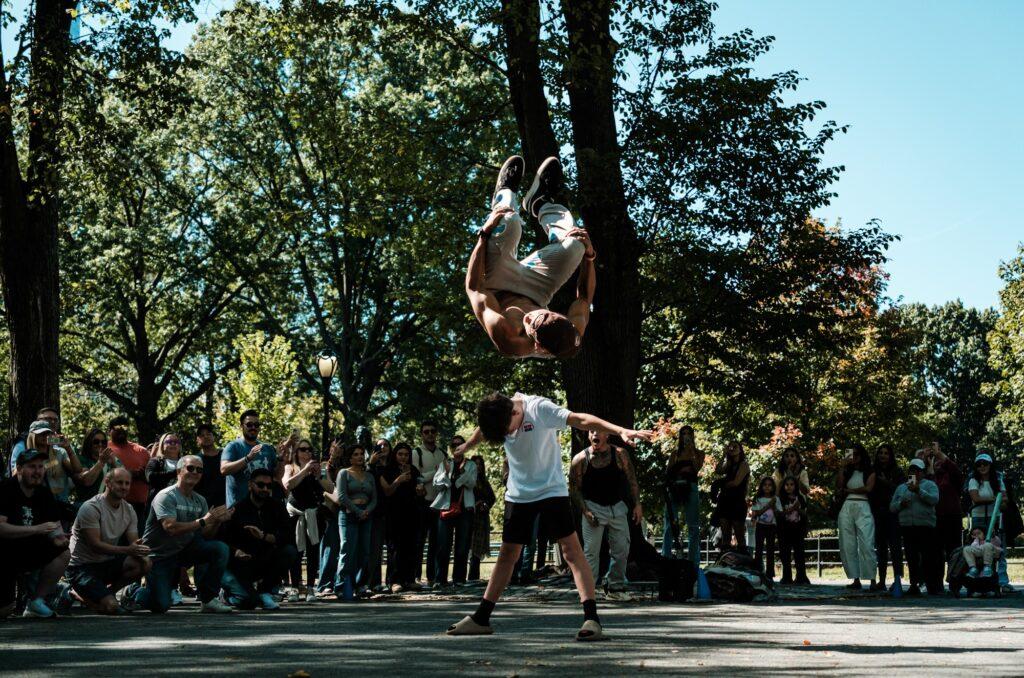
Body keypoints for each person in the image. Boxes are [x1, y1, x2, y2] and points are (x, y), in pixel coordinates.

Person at [445, 391, 653, 641]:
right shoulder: (499, 411)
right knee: (507, 555)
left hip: (550, 491)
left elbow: (581, 420)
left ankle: (592, 619)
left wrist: (620, 430)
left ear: (515, 411)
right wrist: (467, 445)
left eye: (508, 429)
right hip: (519, 494)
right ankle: (481, 619)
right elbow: (484, 427)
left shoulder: (540, 409)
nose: (508, 435)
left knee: (572, 552)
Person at [465, 156, 596, 360]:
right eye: (543, 314)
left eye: (531, 319)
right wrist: (589, 256)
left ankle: (504, 192)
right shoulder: (571, 332)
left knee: (508, 222)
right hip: (538, 290)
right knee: (576, 245)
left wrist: (483, 234)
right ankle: (540, 201)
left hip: (497, 284)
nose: (530, 314)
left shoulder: (509, 337)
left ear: (537, 344)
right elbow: (584, 298)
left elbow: (474, 288)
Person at [132, 455, 234, 613]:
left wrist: (218, 521)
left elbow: (206, 534)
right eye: (190, 468)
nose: (195, 472)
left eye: (199, 470)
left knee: (220, 549)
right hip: (160, 556)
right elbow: (170, 528)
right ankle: (134, 592)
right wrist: (203, 521)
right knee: (161, 605)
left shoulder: (200, 500)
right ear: (179, 471)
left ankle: (207, 599)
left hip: (184, 551)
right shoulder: (166, 496)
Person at [65, 468, 151, 614]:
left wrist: (143, 552)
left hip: (105, 563)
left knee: (144, 563)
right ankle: (78, 594)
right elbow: (96, 545)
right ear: (107, 483)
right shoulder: (91, 508)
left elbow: (134, 543)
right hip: (81, 568)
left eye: (127, 483)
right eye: (119, 482)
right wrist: (129, 550)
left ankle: (106, 594)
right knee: (111, 607)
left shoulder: (129, 510)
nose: (124, 487)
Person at [0, 449, 71, 618]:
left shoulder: (44, 493)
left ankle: (36, 602)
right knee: (4, 611)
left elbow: (55, 527)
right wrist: (37, 529)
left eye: (41, 467)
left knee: (63, 553)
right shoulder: (5, 489)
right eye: (32, 466)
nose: (37, 471)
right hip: (4, 552)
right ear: (19, 468)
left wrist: (60, 539)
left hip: (31, 548)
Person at [570, 430, 642, 591]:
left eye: (599, 431)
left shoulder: (619, 454)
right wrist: (585, 511)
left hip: (617, 507)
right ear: (589, 436)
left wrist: (637, 504)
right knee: (591, 552)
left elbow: (632, 481)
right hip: (592, 507)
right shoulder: (581, 459)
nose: (595, 434)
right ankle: (589, 588)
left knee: (622, 549)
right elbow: (574, 489)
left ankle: (616, 584)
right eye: (591, 431)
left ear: (607, 435)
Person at [221, 468, 297, 610]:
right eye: (261, 485)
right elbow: (223, 539)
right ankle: (228, 596)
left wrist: (264, 536)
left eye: (269, 486)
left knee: (290, 551)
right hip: (240, 563)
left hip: (264, 561)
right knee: (248, 602)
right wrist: (236, 551)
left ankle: (264, 591)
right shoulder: (237, 509)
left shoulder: (277, 507)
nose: (265, 489)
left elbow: (288, 536)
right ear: (250, 485)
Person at [889, 458, 940, 595]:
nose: (914, 473)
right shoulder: (901, 487)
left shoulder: (930, 485)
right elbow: (892, 507)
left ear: (922, 472)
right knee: (911, 557)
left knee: (927, 556)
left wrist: (919, 491)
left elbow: (934, 500)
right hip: (907, 527)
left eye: (917, 470)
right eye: (912, 470)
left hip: (925, 526)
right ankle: (914, 584)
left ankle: (931, 585)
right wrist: (901, 504)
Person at [432, 436, 478, 587]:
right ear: (450, 448)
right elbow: (437, 485)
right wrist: (446, 473)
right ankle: (440, 579)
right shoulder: (445, 463)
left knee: (462, 546)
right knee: (443, 546)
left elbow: (472, 484)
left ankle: (458, 579)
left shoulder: (471, 465)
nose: (457, 446)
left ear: (465, 447)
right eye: (454, 444)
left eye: (460, 444)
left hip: (465, 508)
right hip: (446, 507)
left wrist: (461, 474)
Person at [380, 442, 425, 592]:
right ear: (395, 455)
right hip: (393, 514)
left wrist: (420, 490)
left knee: (411, 547)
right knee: (395, 548)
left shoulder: (414, 470)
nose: (403, 457)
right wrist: (398, 480)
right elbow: (387, 492)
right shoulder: (388, 470)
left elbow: (421, 490)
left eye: (406, 455)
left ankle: (409, 579)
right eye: (400, 454)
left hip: (412, 513)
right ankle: (394, 581)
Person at [334, 444, 378, 598]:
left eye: (361, 454)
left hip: (367, 515)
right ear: (350, 457)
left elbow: (374, 499)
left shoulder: (370, 476)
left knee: (364, 552)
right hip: (348, 515)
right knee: (347, 550)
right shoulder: (343, 473)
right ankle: (341, 586)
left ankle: (361, 585)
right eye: (356, 454)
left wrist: (367, 511)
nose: (360, 457)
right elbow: (341, 497)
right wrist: (358, 511)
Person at [283, 439, 324, 602]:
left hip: (313, 514)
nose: (306, 452)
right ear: (296, 452)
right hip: (295, 514)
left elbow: (329, 488)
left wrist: (318, 475)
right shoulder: (290, 467)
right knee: (296, 552)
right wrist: (305, 470)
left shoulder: (318, 468)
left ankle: (310, 588)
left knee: (313, 552)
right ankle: (294, 588)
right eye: (302, 449)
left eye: (309, 449)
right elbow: (287, 485)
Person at [968, 452, 1011, 592]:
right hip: (978, 517)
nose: (982, 467)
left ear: (990, 465)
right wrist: (995, 499)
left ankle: (1002, 581)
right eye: (979, 464)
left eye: (985, 464)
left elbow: (1005, 501)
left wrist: (1001, 502)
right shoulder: (973, 480)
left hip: (995, 517)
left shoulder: (998, 480)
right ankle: (977, 578)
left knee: (998, 548)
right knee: (978, 546)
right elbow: (976, 498)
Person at [221, 410, 281, 508]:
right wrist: (247, 458)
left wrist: (281, 460)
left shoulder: (267, 448)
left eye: (256, 425)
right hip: (238, 508)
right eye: (249, 424)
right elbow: (224, 470)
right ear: (241, 426)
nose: (253, 427)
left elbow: (277, 476)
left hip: (264, 507)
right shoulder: (233, 446)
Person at [921, 441, 963, 582]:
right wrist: (925, 461)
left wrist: (940, 455)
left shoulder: (950, 474)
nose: (936, 462)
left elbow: (956, 473)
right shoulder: (925, 476)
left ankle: (954, 580)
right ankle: (935, 583)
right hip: (933, 517)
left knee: (954, 550)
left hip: (952, 515)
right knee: (934, 552)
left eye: (938, 460)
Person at [662, 425, 704, 564]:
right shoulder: (675, 454)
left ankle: (693, 561)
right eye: (683, 433)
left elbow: (696, 468)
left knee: (693, 526)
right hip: (675, 488)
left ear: (692, 436)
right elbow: (669, 472)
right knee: (669, 524)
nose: (686, 436)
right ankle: (666, 558)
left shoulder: (699, 453)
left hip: (691, 487)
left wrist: (692, 451)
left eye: (689, 433)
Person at [413, 421, 446, 586]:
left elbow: (446, 476)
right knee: (419, 541)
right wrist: (437, 471)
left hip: (439, 504)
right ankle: (416, 576)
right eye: (426, 432)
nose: (430, 434)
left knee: (436, 542)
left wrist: (435, 473)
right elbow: (416, 477)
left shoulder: (443, 453)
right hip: (422, 503)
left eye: (433, 431)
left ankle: (432, 577)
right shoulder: (416, 453)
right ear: (422, 434)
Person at [870, 444, 905, 592]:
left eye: (886, 453)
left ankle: (897, 580)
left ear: (890, 456)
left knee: (895, 548)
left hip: (893, 514)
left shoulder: (898, 472)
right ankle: (881, 580)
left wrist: (886, 483)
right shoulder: (873, 471)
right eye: (881, 453)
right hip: (878, 513)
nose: (883, 455)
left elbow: (902, 490)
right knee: (881, 548)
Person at [107, 416, 151, 534]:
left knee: (137, 544)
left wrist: (139, 475)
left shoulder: (141, 451)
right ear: (109, 430)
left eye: (125, 426)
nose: (121, 429)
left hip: (138, 507)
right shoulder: (104, 449)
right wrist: (132, 474)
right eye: (117, 427)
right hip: (111, 506)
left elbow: (150, 477)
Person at [316, 441, 345, 596]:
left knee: (341, 549)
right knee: (329, 547)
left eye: (340, 449)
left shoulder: (344, 468)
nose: (337, 451)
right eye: (335, 448)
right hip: (328, 511)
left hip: (343, 511)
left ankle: (337, 581)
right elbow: (324, 486)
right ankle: (325, 583)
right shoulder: (322, 465)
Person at [712, 441, 750, 552]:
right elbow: (718, 471)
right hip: (725, 502)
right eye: (730, 447)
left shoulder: (744, 464)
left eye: (735, 446)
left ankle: (743, 559)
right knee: (725, 535)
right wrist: (724, 454)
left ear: (740, 449)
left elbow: (736, 482)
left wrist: (720, 484)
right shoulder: (729, 464)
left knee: (739, 535)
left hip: (737, 502)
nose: (732, 449)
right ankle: (725, 558)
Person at [8, 406, 67, 473]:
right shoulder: (22, 444)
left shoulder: (59, 441)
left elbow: (69, 465)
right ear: (38, 420)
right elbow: (15, 473)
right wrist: (46, 466)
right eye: (48, 419)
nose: (53, 422)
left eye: (55, 419)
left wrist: (68, 448)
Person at [366, 438, 391, 591]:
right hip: (375, 510)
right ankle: (372, 582)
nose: (382, 447)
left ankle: (389, 581)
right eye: (379, 445)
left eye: (386, 445)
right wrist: (371, 463)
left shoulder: (394, 465)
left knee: (390, 548)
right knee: (374, 549)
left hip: (392, 510)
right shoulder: (370, 466)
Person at [468, 454, 497, 582]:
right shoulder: (468, 480)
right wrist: (475, 504)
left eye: (480, 464)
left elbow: (492, 498)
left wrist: (485, 504)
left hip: (482, 518)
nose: (478, 467)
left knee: (478, 550)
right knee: (470, 548)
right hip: (469, 517)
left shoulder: (484, 482)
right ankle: (467, 578)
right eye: (475, 464)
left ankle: (474, 577)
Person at [74, 429, 122, 504]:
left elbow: (121, 482)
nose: (100, 444)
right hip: (86, 507)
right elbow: (87, 481)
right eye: (96, 442)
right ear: (89, 443)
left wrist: (113, 463)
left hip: (106, 507)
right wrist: (101, 462)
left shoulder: (112, 459)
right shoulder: (81, 460)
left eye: (103, 442)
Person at [777, 476, 810, 585]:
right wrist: (791, 509)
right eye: (787, 484)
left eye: (792, 484)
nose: (789, 487)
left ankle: (801, 577)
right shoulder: (780, 499)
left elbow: (805, 514)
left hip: (797, 529)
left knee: (799, 554)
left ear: (795, 486)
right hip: (784, 529)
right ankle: (786, 577)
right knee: (785, 554)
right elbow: (779, 514)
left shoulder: (800, 498)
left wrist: (798, 509)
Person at [750, 477, 780, 581]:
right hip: (760, 526)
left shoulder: (776, 499)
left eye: (770, 485)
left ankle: (770, 574)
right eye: (765, 485)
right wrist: (768, 506)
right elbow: (755, 514)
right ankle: (758, 571)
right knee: (758, 549)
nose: (767, 487)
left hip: (771, 526)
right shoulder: (758, 499)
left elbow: (779, 514)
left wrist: (774, 506)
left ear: (773, 487)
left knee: (770, 550)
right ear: (761, 486)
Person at [145, 433, 182, 506]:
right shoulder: (155, 461)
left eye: (176, 442)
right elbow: (150, 477)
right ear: (162, 445)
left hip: (181, 504)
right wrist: (175, 472)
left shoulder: (185, 462)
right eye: (169, 442)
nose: (173, 444)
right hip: (159, 504)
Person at [194, 423, 225, 508]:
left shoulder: (226, 455)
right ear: (197, 440)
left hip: (227, 506)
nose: (206, 437)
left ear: (213, 437)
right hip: (204, 508)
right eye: (202, 435)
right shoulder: (195, 461)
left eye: (208, 434)